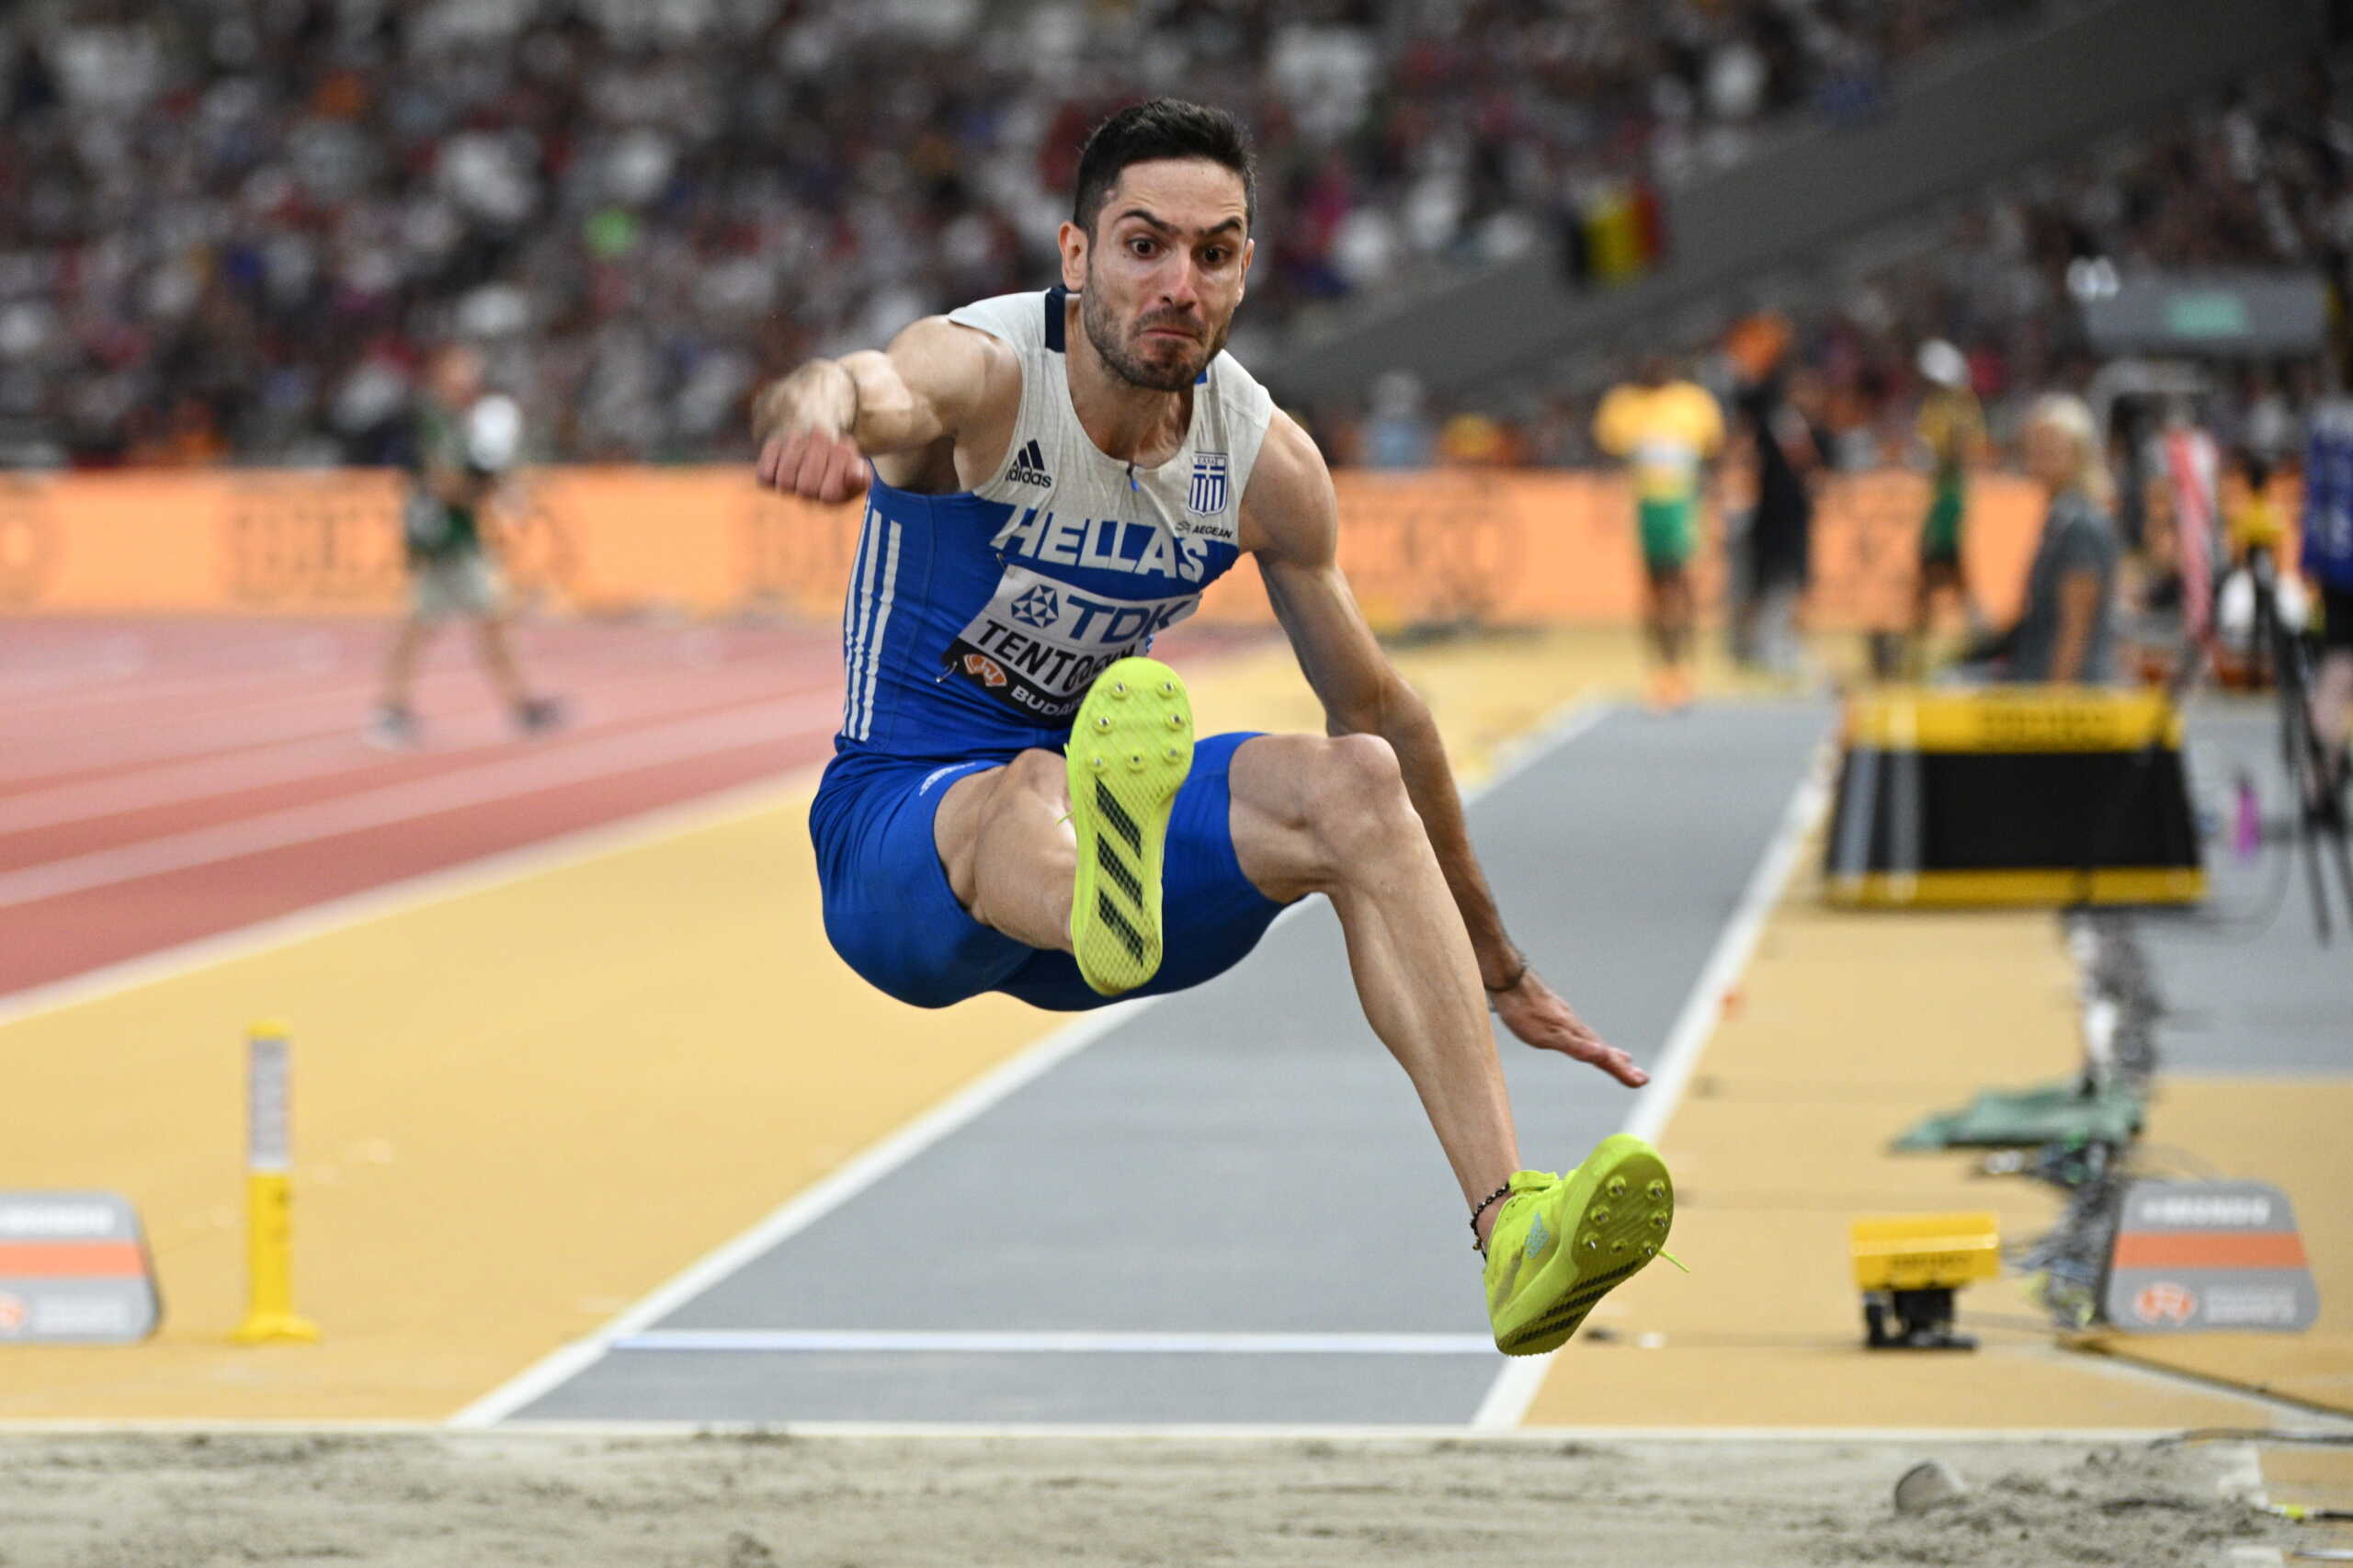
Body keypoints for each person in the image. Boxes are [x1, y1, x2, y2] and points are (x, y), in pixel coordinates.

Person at [751, 100, 1675, 1357]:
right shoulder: (985, 373)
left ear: (1247, 270)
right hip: (902, 857)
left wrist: (1498, 961)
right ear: (1075, 259)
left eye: (1215, 251)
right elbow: (864, 381)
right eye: (1144, 244)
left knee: (1352, 781)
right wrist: (813, 413)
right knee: (1027, 780)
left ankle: (1511, 1230)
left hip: (1104, 882)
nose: (1178, 281)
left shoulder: (1262, 461)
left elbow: (1384, 713)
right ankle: (1101, 885)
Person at [369, 345, 563, 748]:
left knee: (484, 619)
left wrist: (491, 483)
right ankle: (390, 709)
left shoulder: (462, 420)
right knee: (427, 623)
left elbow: (468, 477)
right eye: (461, 371)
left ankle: (520, 704)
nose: (469, 380)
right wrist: (487, 487)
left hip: (460, 536)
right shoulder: (431, 419)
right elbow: (441, 481)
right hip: (439, 538)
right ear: (441, 373)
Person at [1593, 355, 1723, 709]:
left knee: (1679, 584)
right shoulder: (1624, 405)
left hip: (1682, 505)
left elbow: (1713, 453)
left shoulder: (1694, 404)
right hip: (1645, 507)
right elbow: (1609, 451)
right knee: (1652, 589)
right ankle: (1661, 670)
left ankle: (1684, 666)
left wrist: (1717, 497)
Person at [2000, 393, 2120, 685]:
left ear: (2078, 455)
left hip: (2071, 696)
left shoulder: (2081, 524)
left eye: (2049, 450)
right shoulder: (2056, 520)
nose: (2036, 459)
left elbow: (2075, 628)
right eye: (2033, 449)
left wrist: (2056, 705)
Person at [1907, 340, 1985, 677]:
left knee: (1943, 564)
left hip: (1949, 496)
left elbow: (1960, 451)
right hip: (1940, 493)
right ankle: (1922, 644)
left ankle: (1972, 630)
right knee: (1937, 568)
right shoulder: (1938, 406)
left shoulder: (1960, 408)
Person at [2300, 387, 2353, 823]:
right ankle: (2322, 779)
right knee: (2338, 672)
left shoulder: (2328, 420)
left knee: (2335, 672)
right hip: (2342, 563)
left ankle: (2318, 782)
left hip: (2335, 565)